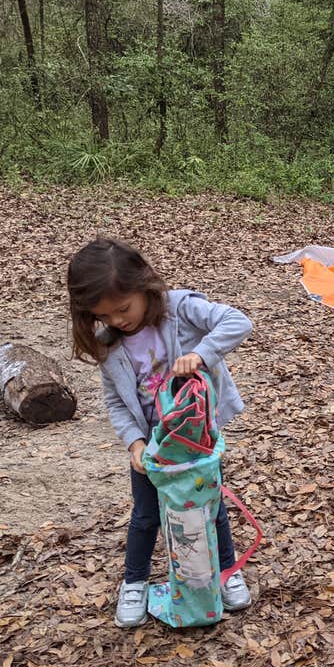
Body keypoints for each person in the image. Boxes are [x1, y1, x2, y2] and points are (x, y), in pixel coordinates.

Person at [67, 237, 254, 628]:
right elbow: (116, 402)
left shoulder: (180, 308)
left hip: (194, 437)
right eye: (105, 316)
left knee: (210, 506)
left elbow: (238, 322)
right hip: (153, 446)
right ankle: (134, 582)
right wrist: (134, 443)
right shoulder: (109, 345)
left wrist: (201, 354)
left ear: (144, 286)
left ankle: (224, 572)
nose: (118, 320)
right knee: (146, 513)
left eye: (123, 308)